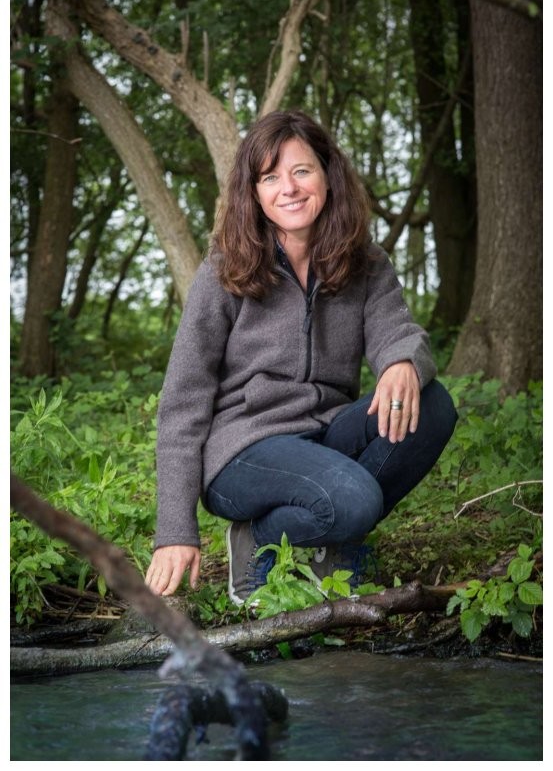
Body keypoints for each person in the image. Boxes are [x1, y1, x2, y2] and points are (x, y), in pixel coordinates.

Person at [145, 110, 457, 605]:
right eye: (270, 177)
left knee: (432, 403)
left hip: (325, 433)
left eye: (301, 171)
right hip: (243, 449)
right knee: (353, 499)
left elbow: (395, 329)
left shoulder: (365, 262)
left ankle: (331, 540)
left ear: (328, 177)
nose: (288, 188)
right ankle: (260, 539)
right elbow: (183, 402)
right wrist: (175, 529)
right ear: (254, 194)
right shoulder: (223, 271)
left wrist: (401, 361)